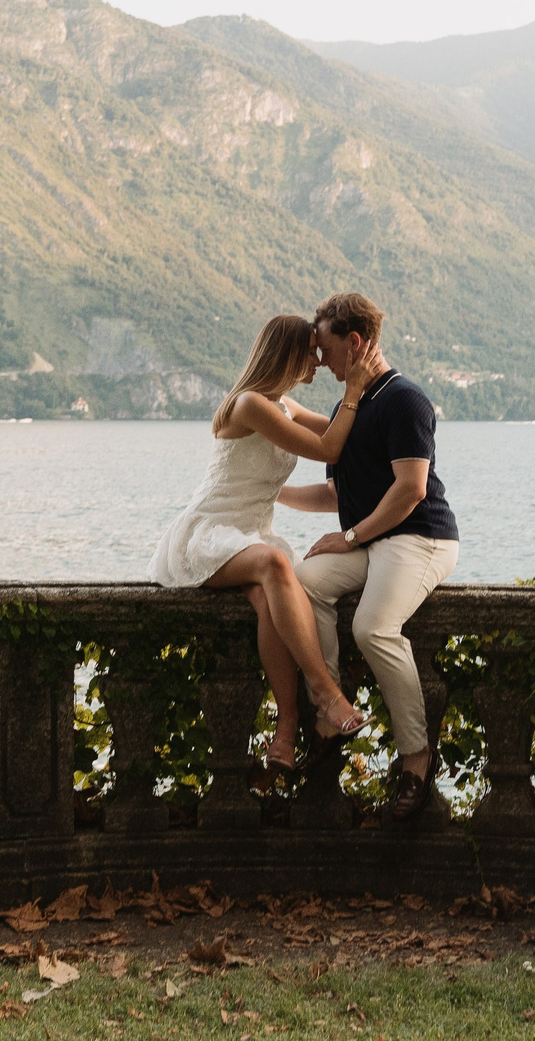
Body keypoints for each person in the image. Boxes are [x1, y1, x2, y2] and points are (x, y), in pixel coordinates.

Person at [149, 313, 376, 771]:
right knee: (276, 565)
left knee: (267, 595)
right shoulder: (250, 404)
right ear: (287, 354)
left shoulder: (285, 406)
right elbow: (329, 448)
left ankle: (285, 733)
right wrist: (351, 391)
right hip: (208, 534)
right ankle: (326, 694)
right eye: (311, 353)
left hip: (249, 538)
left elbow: (341, 435)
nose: (317, 362)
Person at [281, 291, 461, 823]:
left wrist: (352, 537)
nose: (320, 360)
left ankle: (416, 758)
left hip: (421, 538)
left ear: (355, 342)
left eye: (327, 348)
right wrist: (270, 494)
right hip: (374, 540)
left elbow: (410, 489)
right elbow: (337, 495)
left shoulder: (405, 400)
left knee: (374, 628)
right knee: (304, 582)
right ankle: (331, 710)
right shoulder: (349, 405)